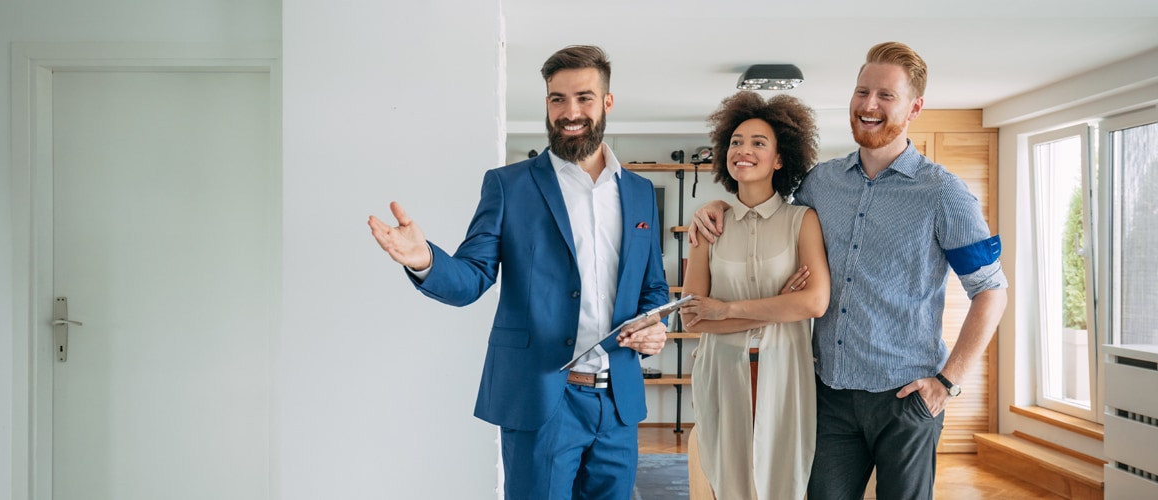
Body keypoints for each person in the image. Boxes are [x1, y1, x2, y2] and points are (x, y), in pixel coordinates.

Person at [689, 41, 1008, 499]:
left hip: (906, 398)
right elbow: (765, 214)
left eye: (885, 95)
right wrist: (716, 206)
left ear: (915, 107)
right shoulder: (822, 182)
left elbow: (991, 291)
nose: (869, 105)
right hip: (829, 395)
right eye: (862, 92)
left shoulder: (944, 194)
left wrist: (947, 383)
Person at [367, 45, 670, 500]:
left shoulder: (641, 193)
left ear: (607, 103)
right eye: (557, 99)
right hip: (543, 399)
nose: (570, 112)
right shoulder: (508, 185)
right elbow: (472, 276)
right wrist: (424, 260)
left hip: (618, 403)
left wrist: (655, 325)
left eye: (584, 98)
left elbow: (653, 287)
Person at [678, 92, 830, 500]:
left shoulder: (803, 221)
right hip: (721, 371)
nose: (743, 150)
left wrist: (726, 310)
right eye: (736, 142)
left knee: (782, 482)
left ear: (780, 159)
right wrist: (778, 307)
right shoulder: (709, 225)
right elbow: (690, 318)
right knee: (728, 482)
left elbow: (814, 302)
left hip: (784, 370)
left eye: (758, 143)